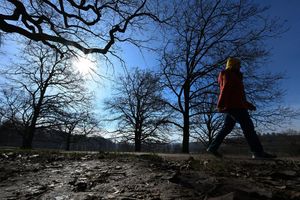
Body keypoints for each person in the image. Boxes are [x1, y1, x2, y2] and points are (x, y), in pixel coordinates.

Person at [207, 57, 276, 159]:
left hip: (237, 106)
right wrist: (220, 104)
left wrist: (248, 105)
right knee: (249, 128)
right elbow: (225, 90)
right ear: (232, 64)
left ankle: (212, 148)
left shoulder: (235, 76)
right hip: (235, 107)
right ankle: (258, 152)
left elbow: (238, 96)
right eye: (238, 64)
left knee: (226, 128)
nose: (240, 66)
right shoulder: (228, 74)